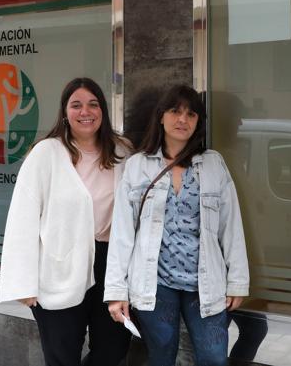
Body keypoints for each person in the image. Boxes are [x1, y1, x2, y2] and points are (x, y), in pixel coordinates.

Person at [105, 84, 249, 366]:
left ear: (198, 122)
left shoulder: (213, 164)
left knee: (215, 358)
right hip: (155, 284)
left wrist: (238, 282)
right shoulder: (138, 166)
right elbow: (122, 233)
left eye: (191, 114)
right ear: (161, 116)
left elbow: (231, 227)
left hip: (205, 284)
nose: (183, 119)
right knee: (162, 356)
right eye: (175, 111)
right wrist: (116, 292)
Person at [0, 77, 131, 366]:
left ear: (103, 110)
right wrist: (23, 283)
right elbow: (22, 218)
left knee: (113, 349)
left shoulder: (122, 152)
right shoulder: (46, 153)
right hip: (59, 266)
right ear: (65, 112)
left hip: (111, 265)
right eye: (77, 105)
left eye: (93, 104)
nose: (86, 111)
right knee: (62, 354)